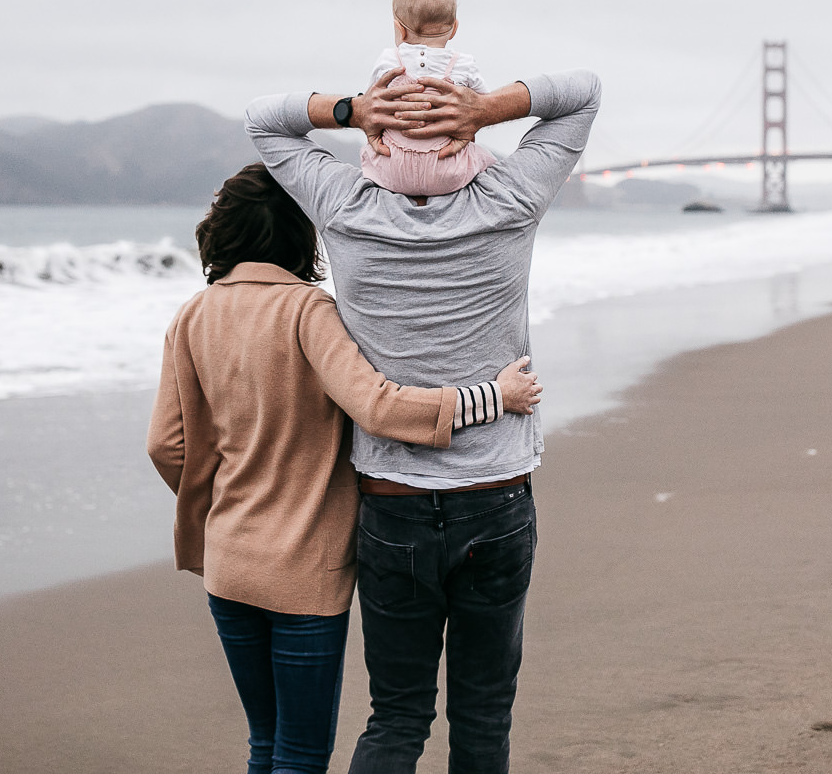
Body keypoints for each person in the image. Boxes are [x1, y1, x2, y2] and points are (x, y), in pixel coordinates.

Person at [247, 60, 600, 774]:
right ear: (464, 134)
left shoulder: (342, 205)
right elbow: (583, 92)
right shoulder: (509, 198)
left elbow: (264, 119)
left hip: (392, 506)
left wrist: (354, 111)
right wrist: (485, 109)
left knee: (398, 716)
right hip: (495, 497)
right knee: (483, 715)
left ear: (379, 141)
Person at [147, 163, 541, 774]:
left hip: (228, 561)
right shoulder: (308, 312)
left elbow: (166, 446)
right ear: (300, 235)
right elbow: (377, 406)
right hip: (304, 566)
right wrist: (493, 396)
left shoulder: (193, 315)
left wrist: (228, 503)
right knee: (302, 756)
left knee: (264, 745)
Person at [359, 0, 496, 198]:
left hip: (393, 169)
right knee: (486, 161)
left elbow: (368, 104)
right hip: (446, 168)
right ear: (454, 28)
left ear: (399, 29)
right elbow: (486, 108)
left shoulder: (388, 60)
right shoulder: (464, 64)